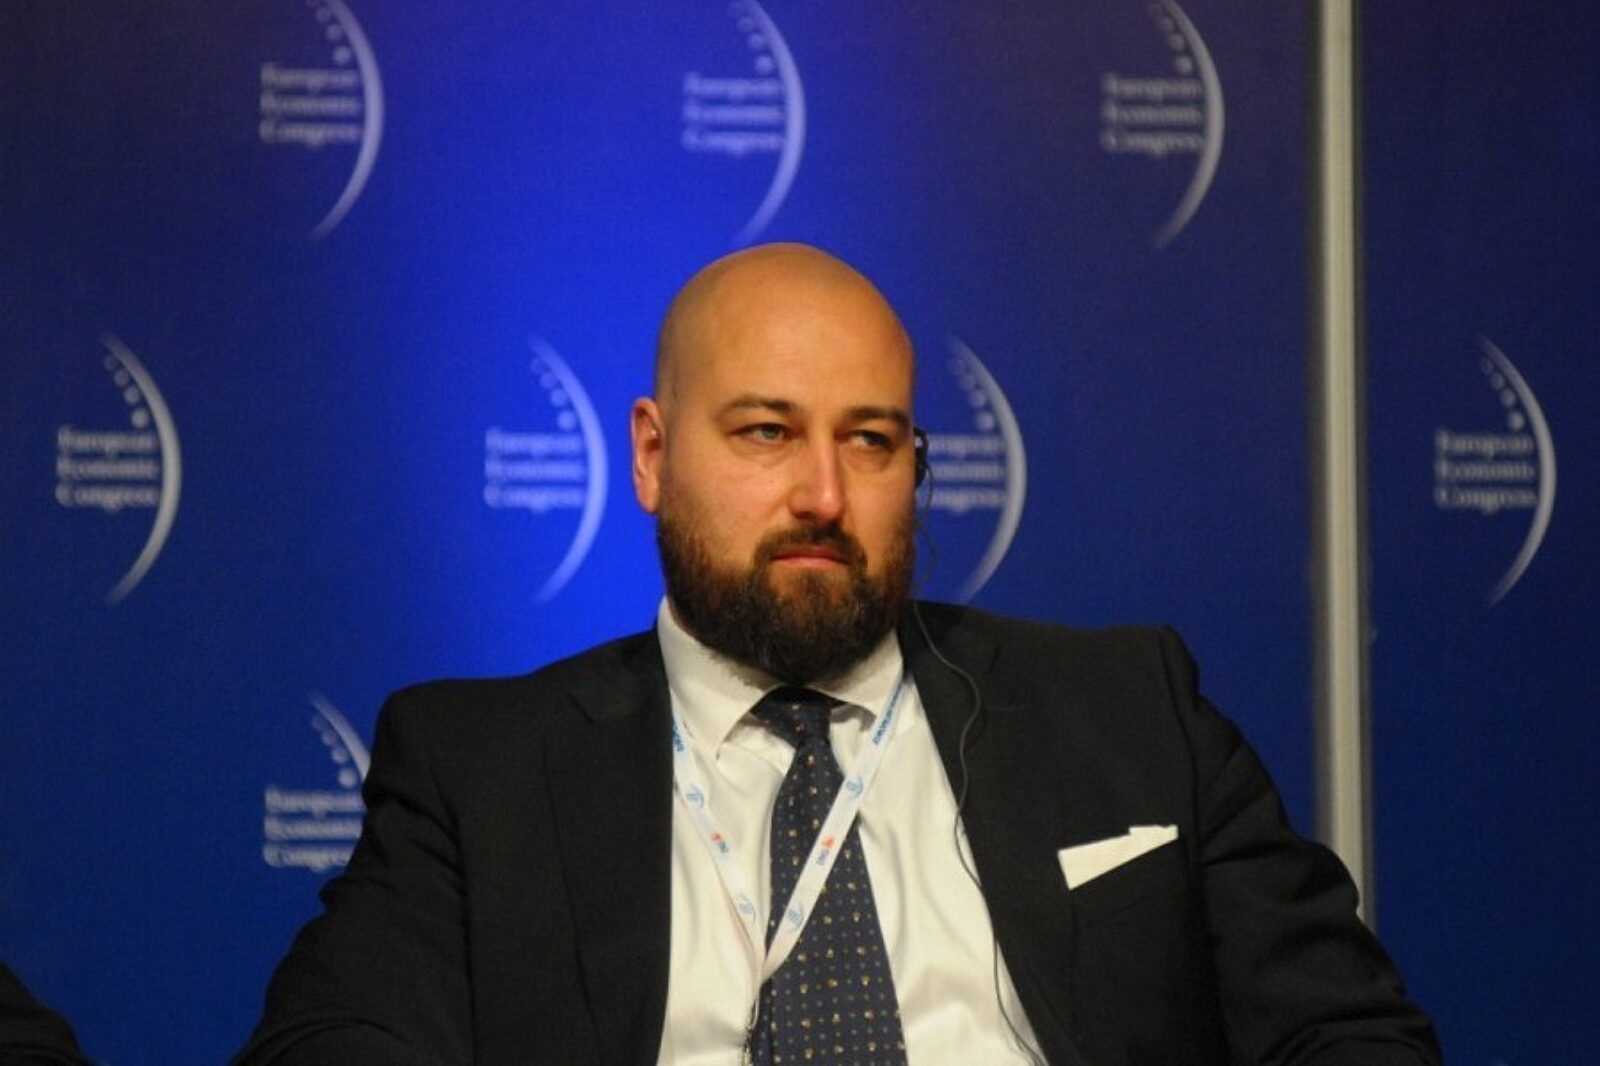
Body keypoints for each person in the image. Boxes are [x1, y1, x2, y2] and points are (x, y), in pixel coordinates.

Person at [236, 243, 1440, 1065]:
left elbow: (1346, 1031)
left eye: (870, 441)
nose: (822, 492)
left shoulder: (1129, 708)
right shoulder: (478, 766)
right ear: (650, 456)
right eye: (766, 431)